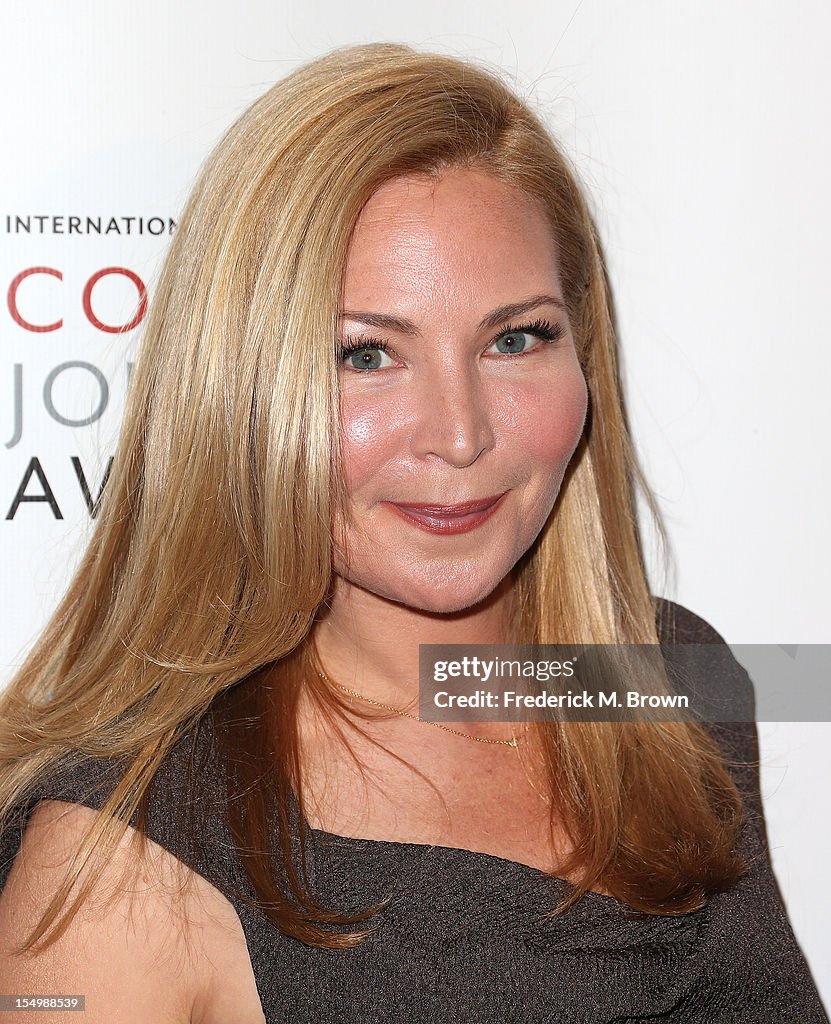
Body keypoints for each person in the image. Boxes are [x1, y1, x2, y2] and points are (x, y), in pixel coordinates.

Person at [0, 41, 826, 1024]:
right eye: (365, 354)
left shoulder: (662, 672)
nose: (461, 432)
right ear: (240, 392)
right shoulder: (107, 871)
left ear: (585, 353)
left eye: (514, 338)